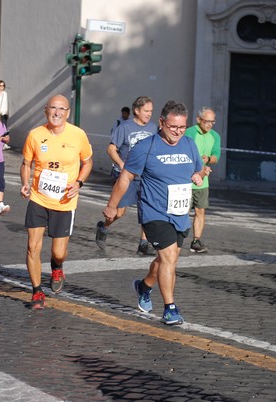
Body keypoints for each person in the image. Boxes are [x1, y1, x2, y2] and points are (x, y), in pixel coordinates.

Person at [103, 101, 203, 325]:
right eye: (173, 127)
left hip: (179, 213)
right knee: (169, 258)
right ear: (162, 123)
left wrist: (200, 175)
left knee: (166, 259)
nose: (177, 132)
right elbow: (126, 177)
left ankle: (144, 286)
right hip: (154, 212)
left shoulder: (189, 144)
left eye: (182, 128)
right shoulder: (145, 146)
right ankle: (170, 309)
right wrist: (112, 204)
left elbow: (199, 169)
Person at [20, 94, 93, 309]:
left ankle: (57, 266)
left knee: (58, 252)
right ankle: (36, 291)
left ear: (68, 113)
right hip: (38, 198)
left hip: (64, 202)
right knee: (33, 246)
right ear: (46, 110)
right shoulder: (35, 135)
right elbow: (26, 163)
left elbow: (88, 162)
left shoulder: (78, 135)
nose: (57, 113)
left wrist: (79, 183)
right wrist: (25, 182)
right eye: (53, 108)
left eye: (62, 109)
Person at [95, 96, 158, 255]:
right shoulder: (124, 127)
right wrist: (122, 164)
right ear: (137, 111)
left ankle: (144, 243)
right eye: (146, 111)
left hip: (145, 176)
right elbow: (111, 149)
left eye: (151, 111)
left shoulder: (153, 128)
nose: (149, 114)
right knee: (119, 212)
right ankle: (104, 227)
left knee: (147, 210)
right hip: (125, 176)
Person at [184, 107, 221, 253]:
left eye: (213, 122)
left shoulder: (215, 136)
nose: (210, 125)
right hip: (186, 180)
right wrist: (199, 163)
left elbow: (216, 155)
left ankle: (196, 241)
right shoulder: (190, 132)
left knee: (200, 211)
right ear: (199, 120)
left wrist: (209, 159)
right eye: (207, 121)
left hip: (203, 182)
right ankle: (176, 239)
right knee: (182, 211)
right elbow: (185, 153)